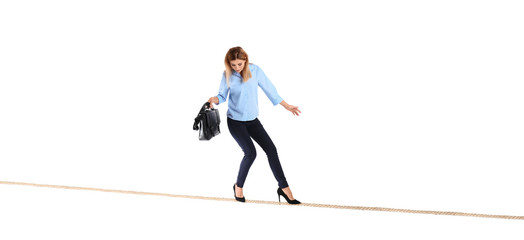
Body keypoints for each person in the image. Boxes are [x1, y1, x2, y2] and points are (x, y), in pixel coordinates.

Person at [207, 46, 301, 204]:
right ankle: (238, 187)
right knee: (250, 153)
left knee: (271, 150)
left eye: (240, 64)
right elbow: (222, 96)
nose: (237, 68)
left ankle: (283, 188)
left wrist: (287, 106)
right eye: (233, 65)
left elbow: (270, 90)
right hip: (235, 122)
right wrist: (213, 100)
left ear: (245, 61)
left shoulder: (255, 71)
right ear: (229, 64)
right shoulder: (227, 74)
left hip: (252, 121)